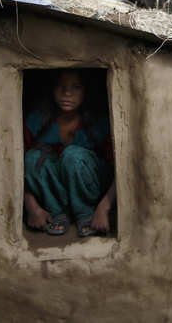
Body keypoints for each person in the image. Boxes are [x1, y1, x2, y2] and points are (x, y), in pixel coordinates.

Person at [23, 70, 115, 237]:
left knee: (73, 155)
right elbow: (10, 166)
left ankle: (85, 213)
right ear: (51, 89)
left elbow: (122, 170)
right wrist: (31, 207)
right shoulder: (37, 119)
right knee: (31, 158)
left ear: (86, 91)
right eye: (60, 86)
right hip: (53, 193)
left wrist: (104, 207)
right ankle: (57, 212)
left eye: (76, 87)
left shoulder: (100, 123)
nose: (67, 93)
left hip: (92, 191)